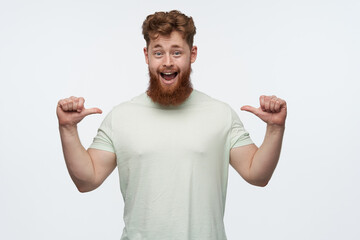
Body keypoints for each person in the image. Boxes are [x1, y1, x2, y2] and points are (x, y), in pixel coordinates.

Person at [57, 10, 287, 240]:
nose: (167, 62)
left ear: (192, 54)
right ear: (147, 55)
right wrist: (68, 128)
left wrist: (275, 128)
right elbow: (87, 180)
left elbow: (257, 175)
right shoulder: (121, 117)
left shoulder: (220, 114)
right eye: (159, 53)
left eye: (177, 52)